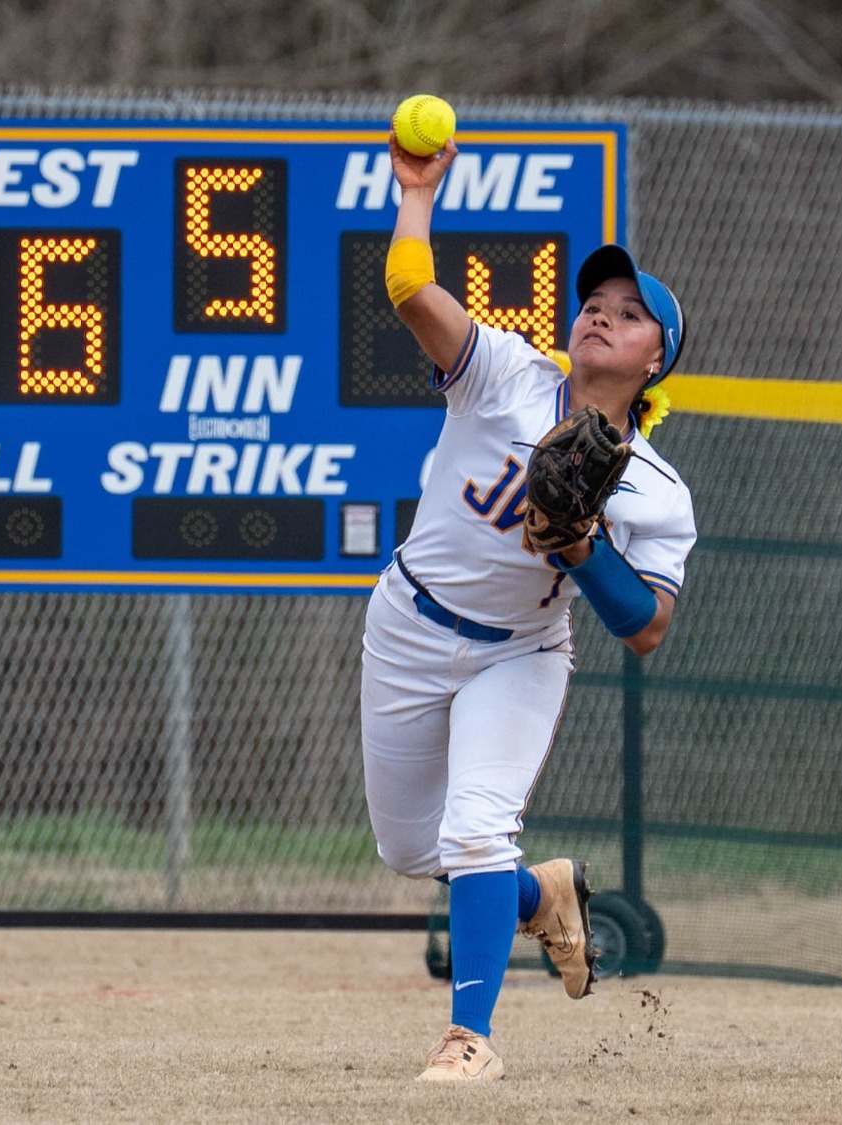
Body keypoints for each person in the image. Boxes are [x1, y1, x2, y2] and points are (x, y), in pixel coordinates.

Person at [360, 130, 697, 1082]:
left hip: (519, 653)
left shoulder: (657, 490)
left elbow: (647, 626)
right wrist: (416, 196)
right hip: (408, 624)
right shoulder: (504, 373)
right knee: (408, 847)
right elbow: (412, 294)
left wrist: (582, 544)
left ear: (656, 357)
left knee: (474, 826)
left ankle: (470, 1038)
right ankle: (536, 895)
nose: (601, 316)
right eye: (594, 302)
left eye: (629, 314)